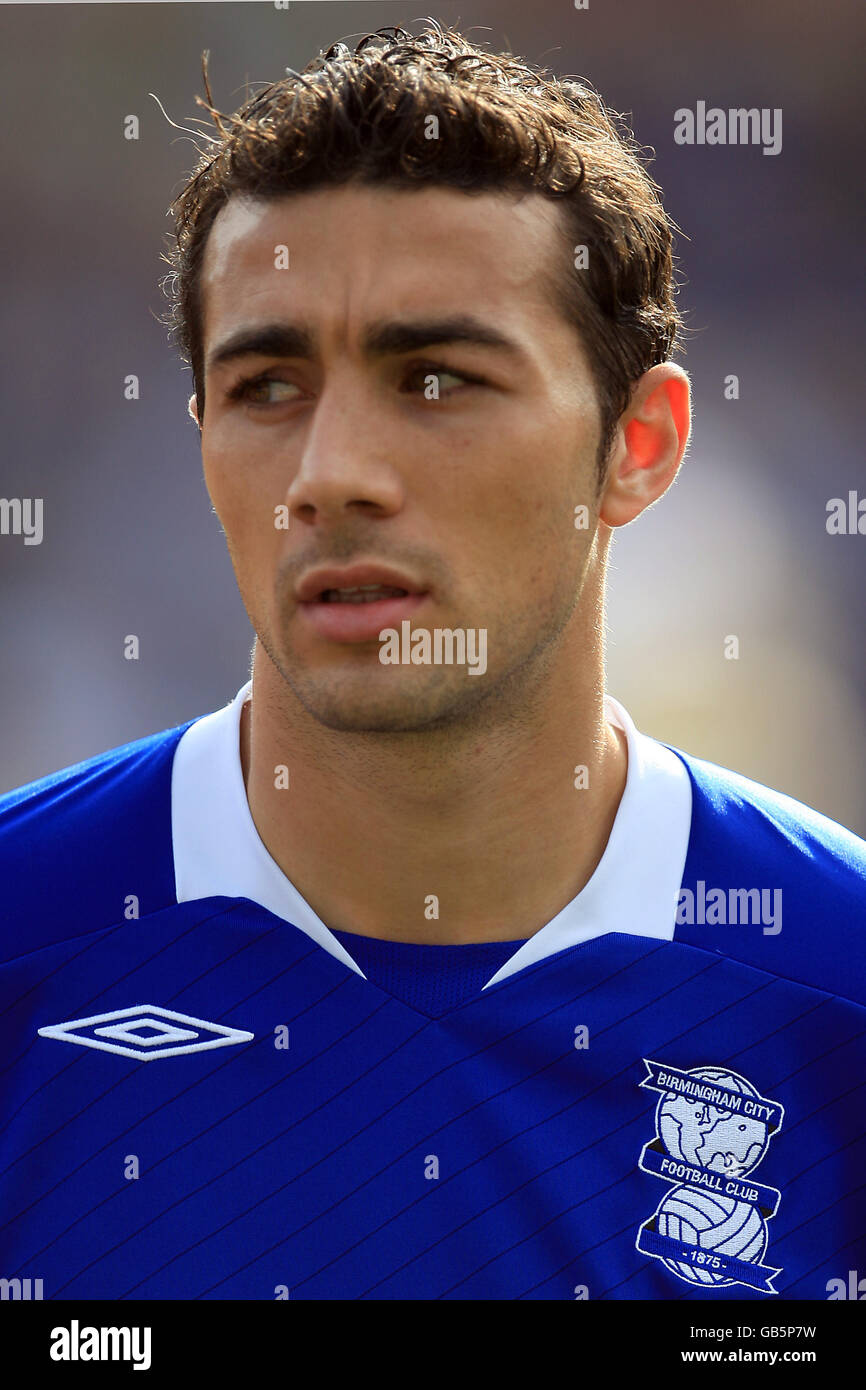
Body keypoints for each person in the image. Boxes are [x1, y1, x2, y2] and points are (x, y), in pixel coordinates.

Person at [0, 21, 863, 1302]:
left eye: (437, 379)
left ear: (637, 444)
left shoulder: (830, 981)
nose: (332, 473)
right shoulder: (28, 939)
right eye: (268, 388)